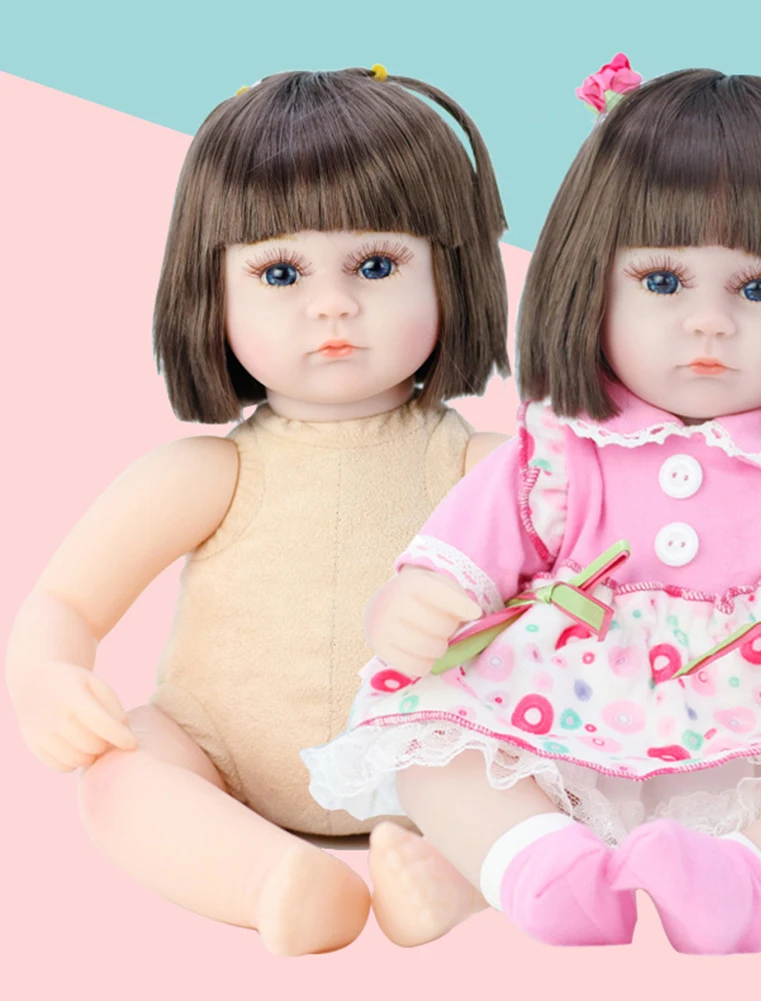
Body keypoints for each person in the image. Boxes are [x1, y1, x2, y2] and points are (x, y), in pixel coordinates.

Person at [302, 59, 761, 953]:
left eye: (757, 289)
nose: (708, 322)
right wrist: (415, 604)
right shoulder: (558, 451)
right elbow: (458, 556)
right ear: (589, 279)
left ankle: (749, 885)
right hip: (562, 714)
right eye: (663, 282)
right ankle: (535, 865)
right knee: (433, 741)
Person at [5, 65, 510, 956]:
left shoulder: (484, 468)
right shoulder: (207, 472)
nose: (332, 304)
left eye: (376, 265)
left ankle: (451, 874)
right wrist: (44, 674)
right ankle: (268, 877)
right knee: (122, 769)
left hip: (438, 761)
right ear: (212, 291)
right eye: (280, 271)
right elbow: (67, 601)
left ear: (451, 275)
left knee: (558, 760)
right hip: (222, 755)